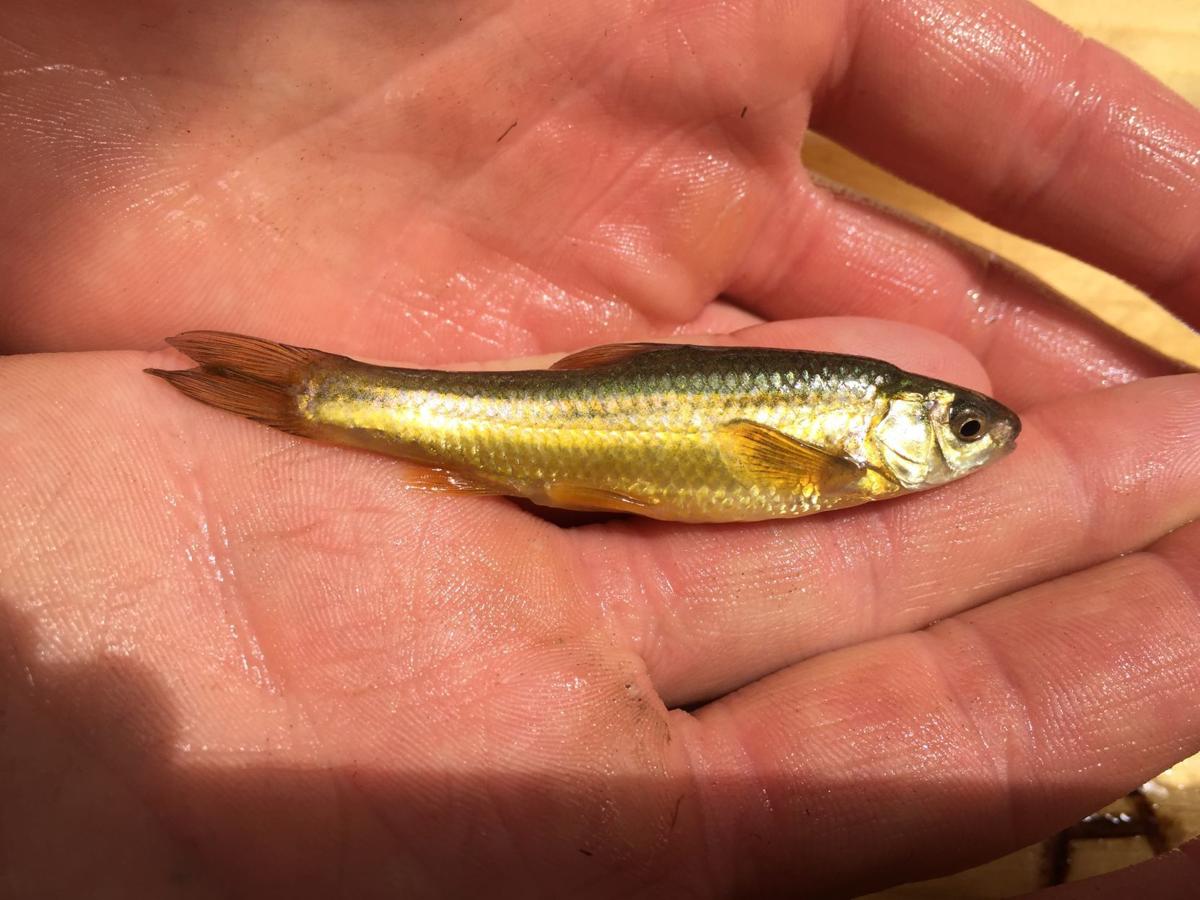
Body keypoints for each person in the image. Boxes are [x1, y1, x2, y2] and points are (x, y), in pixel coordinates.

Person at [1, 1, 1197, 896]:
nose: (974, 440)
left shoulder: (846, 442)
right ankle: (323, 396)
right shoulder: (843, 446)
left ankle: (324, 397)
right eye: (961, 426)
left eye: (967, 427)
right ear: (888, 422)